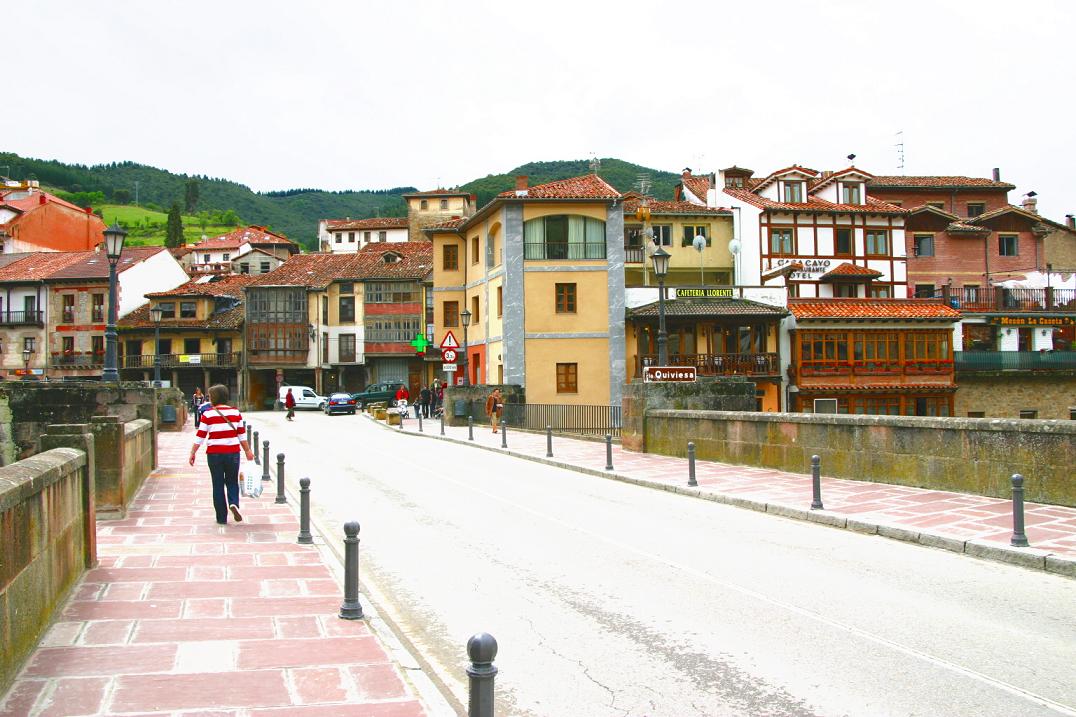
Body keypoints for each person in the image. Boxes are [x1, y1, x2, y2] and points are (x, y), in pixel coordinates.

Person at [189, 384, 255, 525]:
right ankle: (234, 503)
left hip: (214, 454)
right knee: (232, 481)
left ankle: (221, 517)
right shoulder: (235, 413)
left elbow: (200, 436)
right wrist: (248, 451)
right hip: (232, 453)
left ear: (215, 397)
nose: (209, 398)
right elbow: (242, 436)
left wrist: (193, 452)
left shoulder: (207, 414)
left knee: (217, 484)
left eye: (210, 396)